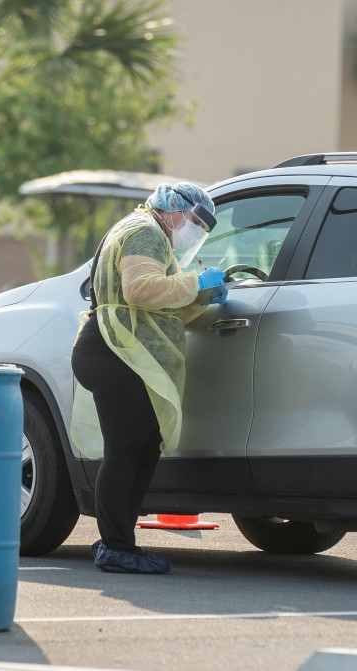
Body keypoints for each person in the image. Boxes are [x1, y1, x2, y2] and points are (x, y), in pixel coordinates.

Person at [70, 182, 226, 574]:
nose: (192, 231)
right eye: (192, 221)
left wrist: (202, 298)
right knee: (126, 451)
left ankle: (120, 542)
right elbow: (139, 291)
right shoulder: (145, 231)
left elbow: (161, 309)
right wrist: (196, 283)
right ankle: (116, 546)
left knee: (142, 449)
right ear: (173, 209)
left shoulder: (145, 229)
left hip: (120, 349)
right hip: (117, 351)